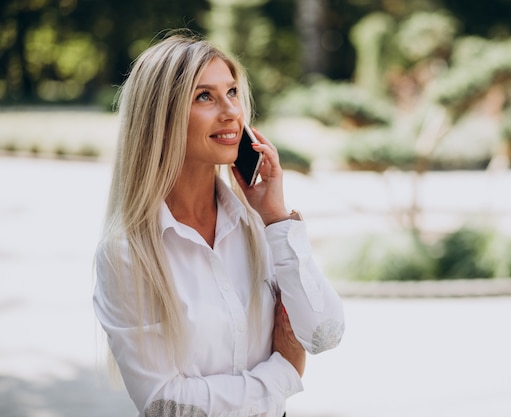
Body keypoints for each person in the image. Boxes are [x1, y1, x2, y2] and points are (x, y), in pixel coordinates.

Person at [93, 31, 345, 417]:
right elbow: (165, 404)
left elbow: (324, 333)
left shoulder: (260, 225)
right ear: (160, 118)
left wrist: (276, 218)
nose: (230, 112)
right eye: (204, 96)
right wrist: (282, 372)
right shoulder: (126, 252)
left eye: (231, 92)